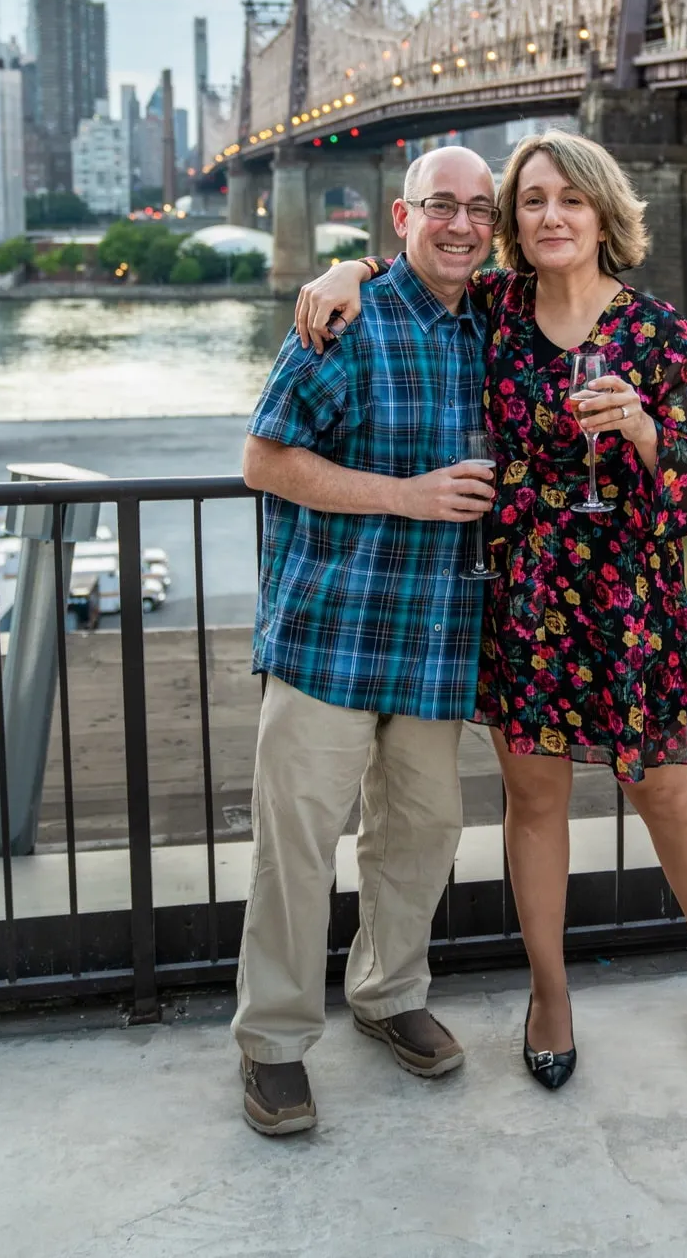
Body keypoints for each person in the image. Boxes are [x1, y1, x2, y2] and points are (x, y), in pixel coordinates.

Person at [296, 130, 687, 1092]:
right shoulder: (496, 308)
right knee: (534, 804)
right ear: (513, 221)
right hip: (526, 600)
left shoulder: (659, 333)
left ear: (603, 213)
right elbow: (420, 265)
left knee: (663, 791)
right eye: (532, 200)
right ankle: (550, 993)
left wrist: (643, 427)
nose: (551, 216)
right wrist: (348, 269)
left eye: (570, 199)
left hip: (630, 600)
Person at [233, 145, 500, 1136]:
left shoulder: (498, 323)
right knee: (297, 847)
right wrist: (407, 496)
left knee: (422, 832)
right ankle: (272, 1043)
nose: (462, 224)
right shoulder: (342, 320)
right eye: (442, 205)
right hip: (332, 633)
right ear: (403, 215)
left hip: (436, 637)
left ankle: (389, 994)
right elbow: (263, 459)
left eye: (480, 208)